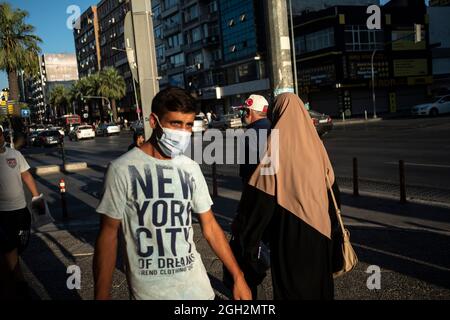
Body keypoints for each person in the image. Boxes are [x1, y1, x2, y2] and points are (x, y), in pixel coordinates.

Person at [93, 87, 252, 300]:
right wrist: (101, 295)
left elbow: (211, 227)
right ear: (153, 122)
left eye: (188, 125)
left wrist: (238, 276)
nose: (182, 133)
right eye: (175, 124)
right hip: (151, 294)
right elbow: (108, 235)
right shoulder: (121, 169)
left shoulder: (190, 168)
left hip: (199, 291)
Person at [233, 93, 337, 300]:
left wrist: (248, 242)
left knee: (293, 289)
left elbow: (262, 198)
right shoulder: (317, 148)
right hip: (322, 233)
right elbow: (334, 193)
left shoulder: (275, 149)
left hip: (291, 233)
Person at [0, 125, 42, 299]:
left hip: (21, 210)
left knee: (20, 245)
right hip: (2, 213)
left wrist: (36, 196)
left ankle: (12, 275)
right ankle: (19, 283)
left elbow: (26, 175)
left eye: (0, 134)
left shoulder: (15, 154)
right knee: (9, 247)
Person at [239, 94, 272, 185]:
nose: (243, 114)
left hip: (255, 186)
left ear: (249, 111)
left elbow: (247, 172)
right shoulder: (274, 127)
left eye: (244, 111)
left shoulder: (249, 135)